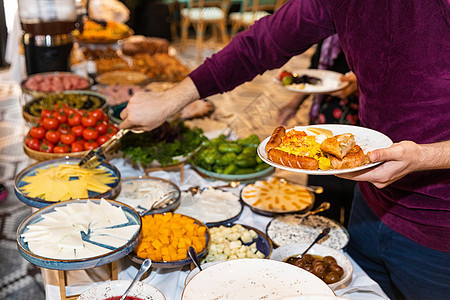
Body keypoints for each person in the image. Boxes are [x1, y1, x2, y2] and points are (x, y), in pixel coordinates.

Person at [119, 1, 450, 299]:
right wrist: (169, 100)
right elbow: (261, 44)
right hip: (370, 203)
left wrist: (424, 156)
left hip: (439, 233)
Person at [277, 34, 359, 226]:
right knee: (321, 184)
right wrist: (294, 103)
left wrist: (359, 82)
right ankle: (321, 241)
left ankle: (348, 240)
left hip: (357, 121)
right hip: (322, 118)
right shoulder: (331, 26)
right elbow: (316, 75)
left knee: (352, 187)